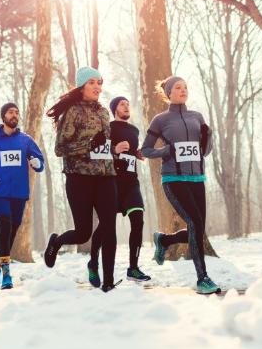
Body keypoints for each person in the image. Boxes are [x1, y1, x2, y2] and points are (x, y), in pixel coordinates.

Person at [140, 76, 221, 294]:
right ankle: (202, 278)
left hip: (197, 179)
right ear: (169, 93)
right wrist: (166, 151)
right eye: (178, 87)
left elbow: (204, 151)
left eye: (185, 86)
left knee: (198, 228)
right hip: (173, 179)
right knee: (194, 222)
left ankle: (164, 240)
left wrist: (208, 137)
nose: (183, 90)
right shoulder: (160, 120)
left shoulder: (197, 116)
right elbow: (145, 150)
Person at [43, 66, 119, 292]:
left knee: (109, 228)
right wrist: (87, 145)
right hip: (79, 179)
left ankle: (108, 282)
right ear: (82, 86)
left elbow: (103, 147)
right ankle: (56, 242)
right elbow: (59, 148)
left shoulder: (104, 112)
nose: (97, 87)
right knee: (84, 232)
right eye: (92, 82)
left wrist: (118, 151)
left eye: (100, 82)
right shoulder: (73, 112)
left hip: (106, 177)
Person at [0, 102, 45, 290]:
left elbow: (40, 162)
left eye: (17, 112)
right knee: (5, 225)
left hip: (19, 192)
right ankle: (6, 274)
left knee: (12, 231)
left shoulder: (25, 140)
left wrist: (37, 162)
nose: (14, 115)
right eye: (10, 112)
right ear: (3, 116)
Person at [88, 96, 151, 286]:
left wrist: (137, 153)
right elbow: (95, 149)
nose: (126, 106)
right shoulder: (108, 127)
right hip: (111, 182)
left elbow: (130, 150)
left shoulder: (134, 130)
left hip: (131, 182)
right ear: (115, 108)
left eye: (128, 104)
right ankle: (93, 262)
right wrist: (114, 148)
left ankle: (133, 267)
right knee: (105, 226)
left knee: (138, 219)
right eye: (122, 104)